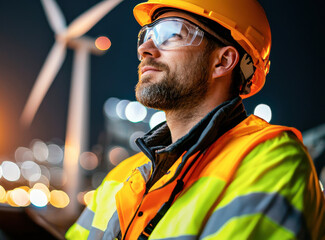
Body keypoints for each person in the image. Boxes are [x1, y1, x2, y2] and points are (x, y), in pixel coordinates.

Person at [65, 0, 325, 239]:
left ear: (222, 61)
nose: (145, 48)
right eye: (147, 35)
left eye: (171, 34)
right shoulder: (122, 175)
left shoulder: (271, 163)